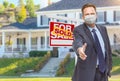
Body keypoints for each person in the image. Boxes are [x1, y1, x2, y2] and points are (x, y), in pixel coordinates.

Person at [72, 3, 112, 81]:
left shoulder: (103, 29)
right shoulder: (78, 30)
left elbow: (107, 49)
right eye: (87, 14)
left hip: (103, 73)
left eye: (92, 13)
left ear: (96, 15)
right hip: (86, 75)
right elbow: (77, 41)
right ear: (83, 17)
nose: (90, 16)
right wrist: (79, 50)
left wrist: (108, 68)